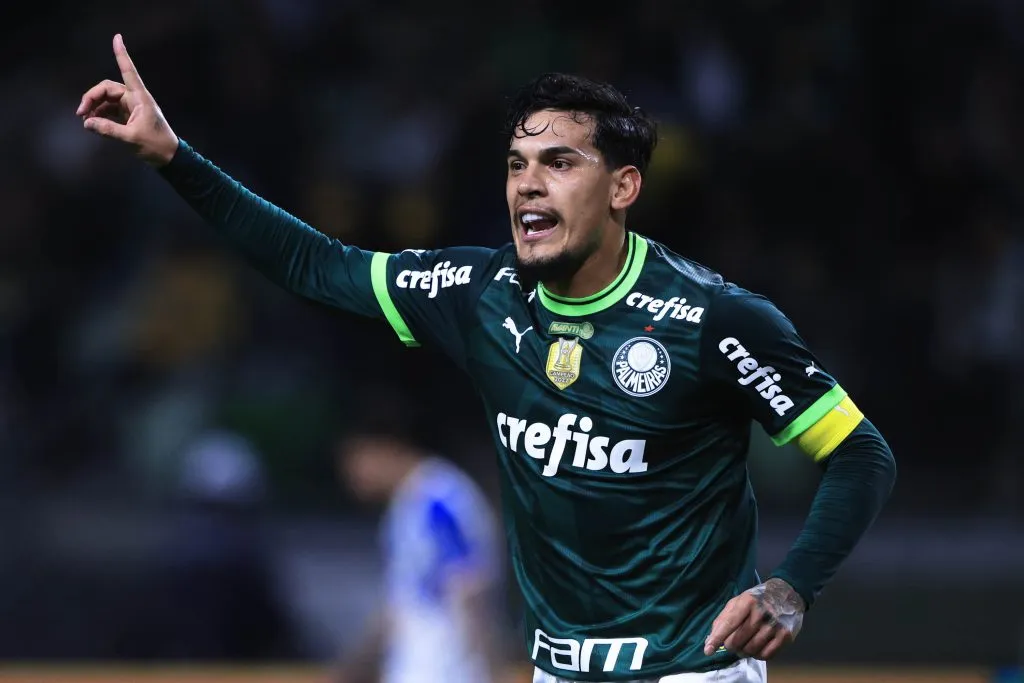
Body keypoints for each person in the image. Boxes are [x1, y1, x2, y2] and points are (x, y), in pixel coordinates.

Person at [77, 34, 897, 683]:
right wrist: (175, 159)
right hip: (556, 672)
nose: (528, 185)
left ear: (624, 188)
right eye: (516, 164)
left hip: (692, 670)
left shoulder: (714, 319)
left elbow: (861, 454)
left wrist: (791, 588)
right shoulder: (479, 292)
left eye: (559, 162)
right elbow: (317, 265)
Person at [331, 401, 506, 683]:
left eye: (355, 460)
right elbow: (403, 601)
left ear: (385, 447)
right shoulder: (407, 505)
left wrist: (494, 673)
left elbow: (470, 589)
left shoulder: (441, 500)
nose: (351, 475)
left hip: (447, 671)